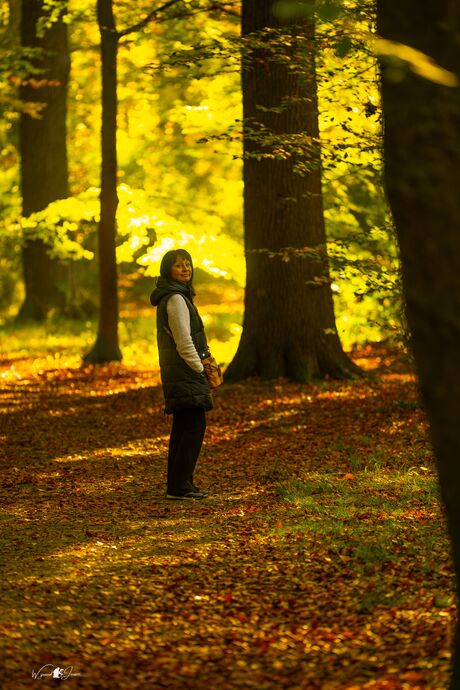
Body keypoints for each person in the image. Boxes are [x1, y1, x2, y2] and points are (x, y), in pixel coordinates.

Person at [150, 249, 213, 500]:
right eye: (178, 265)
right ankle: (180, 486)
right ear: (168, 270)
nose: (185, 268)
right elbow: (183, 341)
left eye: (187, 264)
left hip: (180, 370)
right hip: (185, 370)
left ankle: (179, 484)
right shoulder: (176, 299)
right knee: (194, 426)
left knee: (183, 426)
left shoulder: (177, 296)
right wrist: (199, 368)